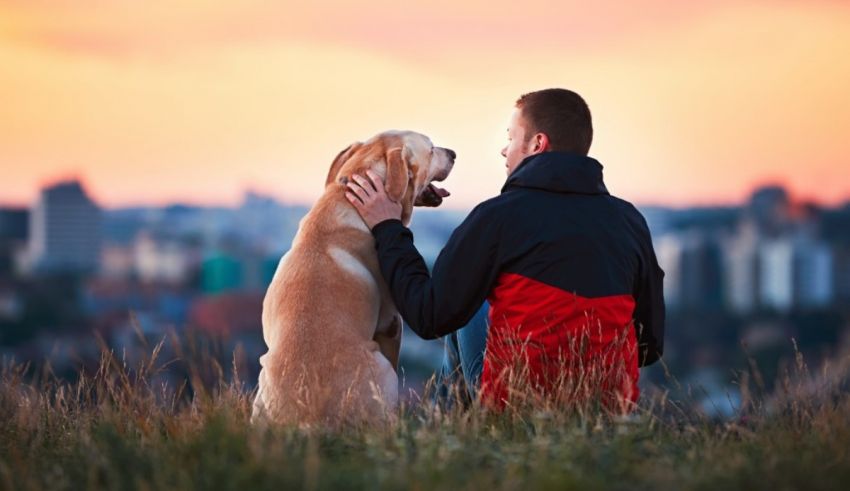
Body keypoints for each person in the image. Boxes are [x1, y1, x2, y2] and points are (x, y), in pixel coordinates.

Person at [344, 88, 665, 412]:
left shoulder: (497, 217)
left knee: (465, 305)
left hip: (518, 406)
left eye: (511, 138)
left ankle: (448, 436)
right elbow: (649, 345)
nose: (503, 150)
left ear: (537, 144)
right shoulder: (629, 222)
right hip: (608, 409)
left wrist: (388, 228)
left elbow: (428, 316)